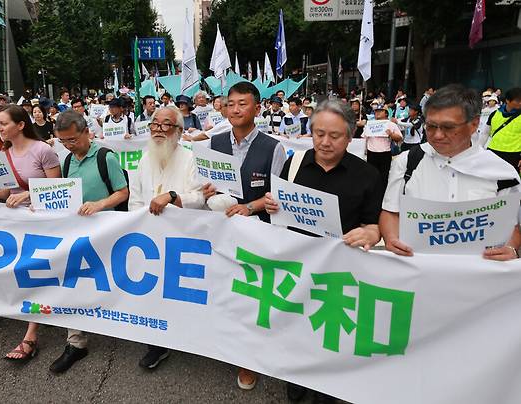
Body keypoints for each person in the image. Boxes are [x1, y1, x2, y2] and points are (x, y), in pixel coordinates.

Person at [264, 100, 383, 403]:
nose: (325, 142)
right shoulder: (293, 164)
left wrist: (372, 232)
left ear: (350, 136)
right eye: (319, 134)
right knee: (295, 325)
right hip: (297, 265)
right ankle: (296, 379)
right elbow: (277, 209)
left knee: (331, 334)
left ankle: (327, 388)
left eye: (335, 136)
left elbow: (374, 223)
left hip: (340, 273)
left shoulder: (368, 174)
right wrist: (271, 205)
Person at [206, 81, 286, 390]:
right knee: (227, 291)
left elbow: (278, 198)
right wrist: (208, 189)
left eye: (243, 103)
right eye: (231, 104)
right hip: (223, 230)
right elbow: (209, 182)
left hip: (258, 233)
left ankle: (249, 361)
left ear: (257, 107)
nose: (236, 109)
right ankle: (227, 345)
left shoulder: (272, 147)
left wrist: (249, 207)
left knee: (253, 296)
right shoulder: (214, 143)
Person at [379, 84, 521, 257]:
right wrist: (391, 238)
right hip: (416, 273)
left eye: (448, 127)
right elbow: (391, 211)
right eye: (431, 126)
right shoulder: (408, 161)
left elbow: (510, 226)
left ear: (474, 124)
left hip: (477, 277)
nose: (437, 135)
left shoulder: (503, 174)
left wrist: (511, 249)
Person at [49, 110, 128, 374]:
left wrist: (100, 204)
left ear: (86, 132)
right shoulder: (69, 161)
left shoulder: (106, 157)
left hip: (108, 233)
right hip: (77, 234)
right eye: (63, 142)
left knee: (114, 282)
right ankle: (75, 342)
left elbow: (123, 191)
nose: (69, 145)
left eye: (73, 139)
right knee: (71, 282)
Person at [128, 106, 206, 370]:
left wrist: (172, 196)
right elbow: (135, 199)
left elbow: (199, 197)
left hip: (182, 238)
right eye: (154, 124)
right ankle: (157, 346)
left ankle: (189, 336)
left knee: (182, 290)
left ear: (179, 131)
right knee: (153, 292)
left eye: (166, 125)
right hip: (150, 239)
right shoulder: (143, 158)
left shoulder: (190, 158)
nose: (159, 130)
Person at [0, 105, 61, 361]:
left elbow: (59, 188)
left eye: (3, 123)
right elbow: (8, 190)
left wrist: (30, 194)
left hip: (42, 222)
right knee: (21, 272)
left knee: (34, 273)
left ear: (20, 125)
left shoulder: (43, 150)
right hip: (15, 223)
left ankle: (31, 335)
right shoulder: (4, 153)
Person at [364, 104, 402, 187]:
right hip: (371, 153)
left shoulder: (391, 124)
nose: (377, 113)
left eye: (380, 111)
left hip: (385, 154)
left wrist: (391, 134)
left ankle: (382, 194)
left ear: (386, 113)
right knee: (371, 176)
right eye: (376, 111)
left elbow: (399, 138)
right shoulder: (370, 124)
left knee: (384, 177)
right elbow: (363, 138)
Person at [483, 87, 521, 171]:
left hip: (513, 155)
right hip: (492, 152)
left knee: (510, 182)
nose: (520, 103)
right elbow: (485, 133)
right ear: (507, 100)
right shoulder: (494, 114)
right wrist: (479, 149)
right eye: (518, 101)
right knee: (490, 180)